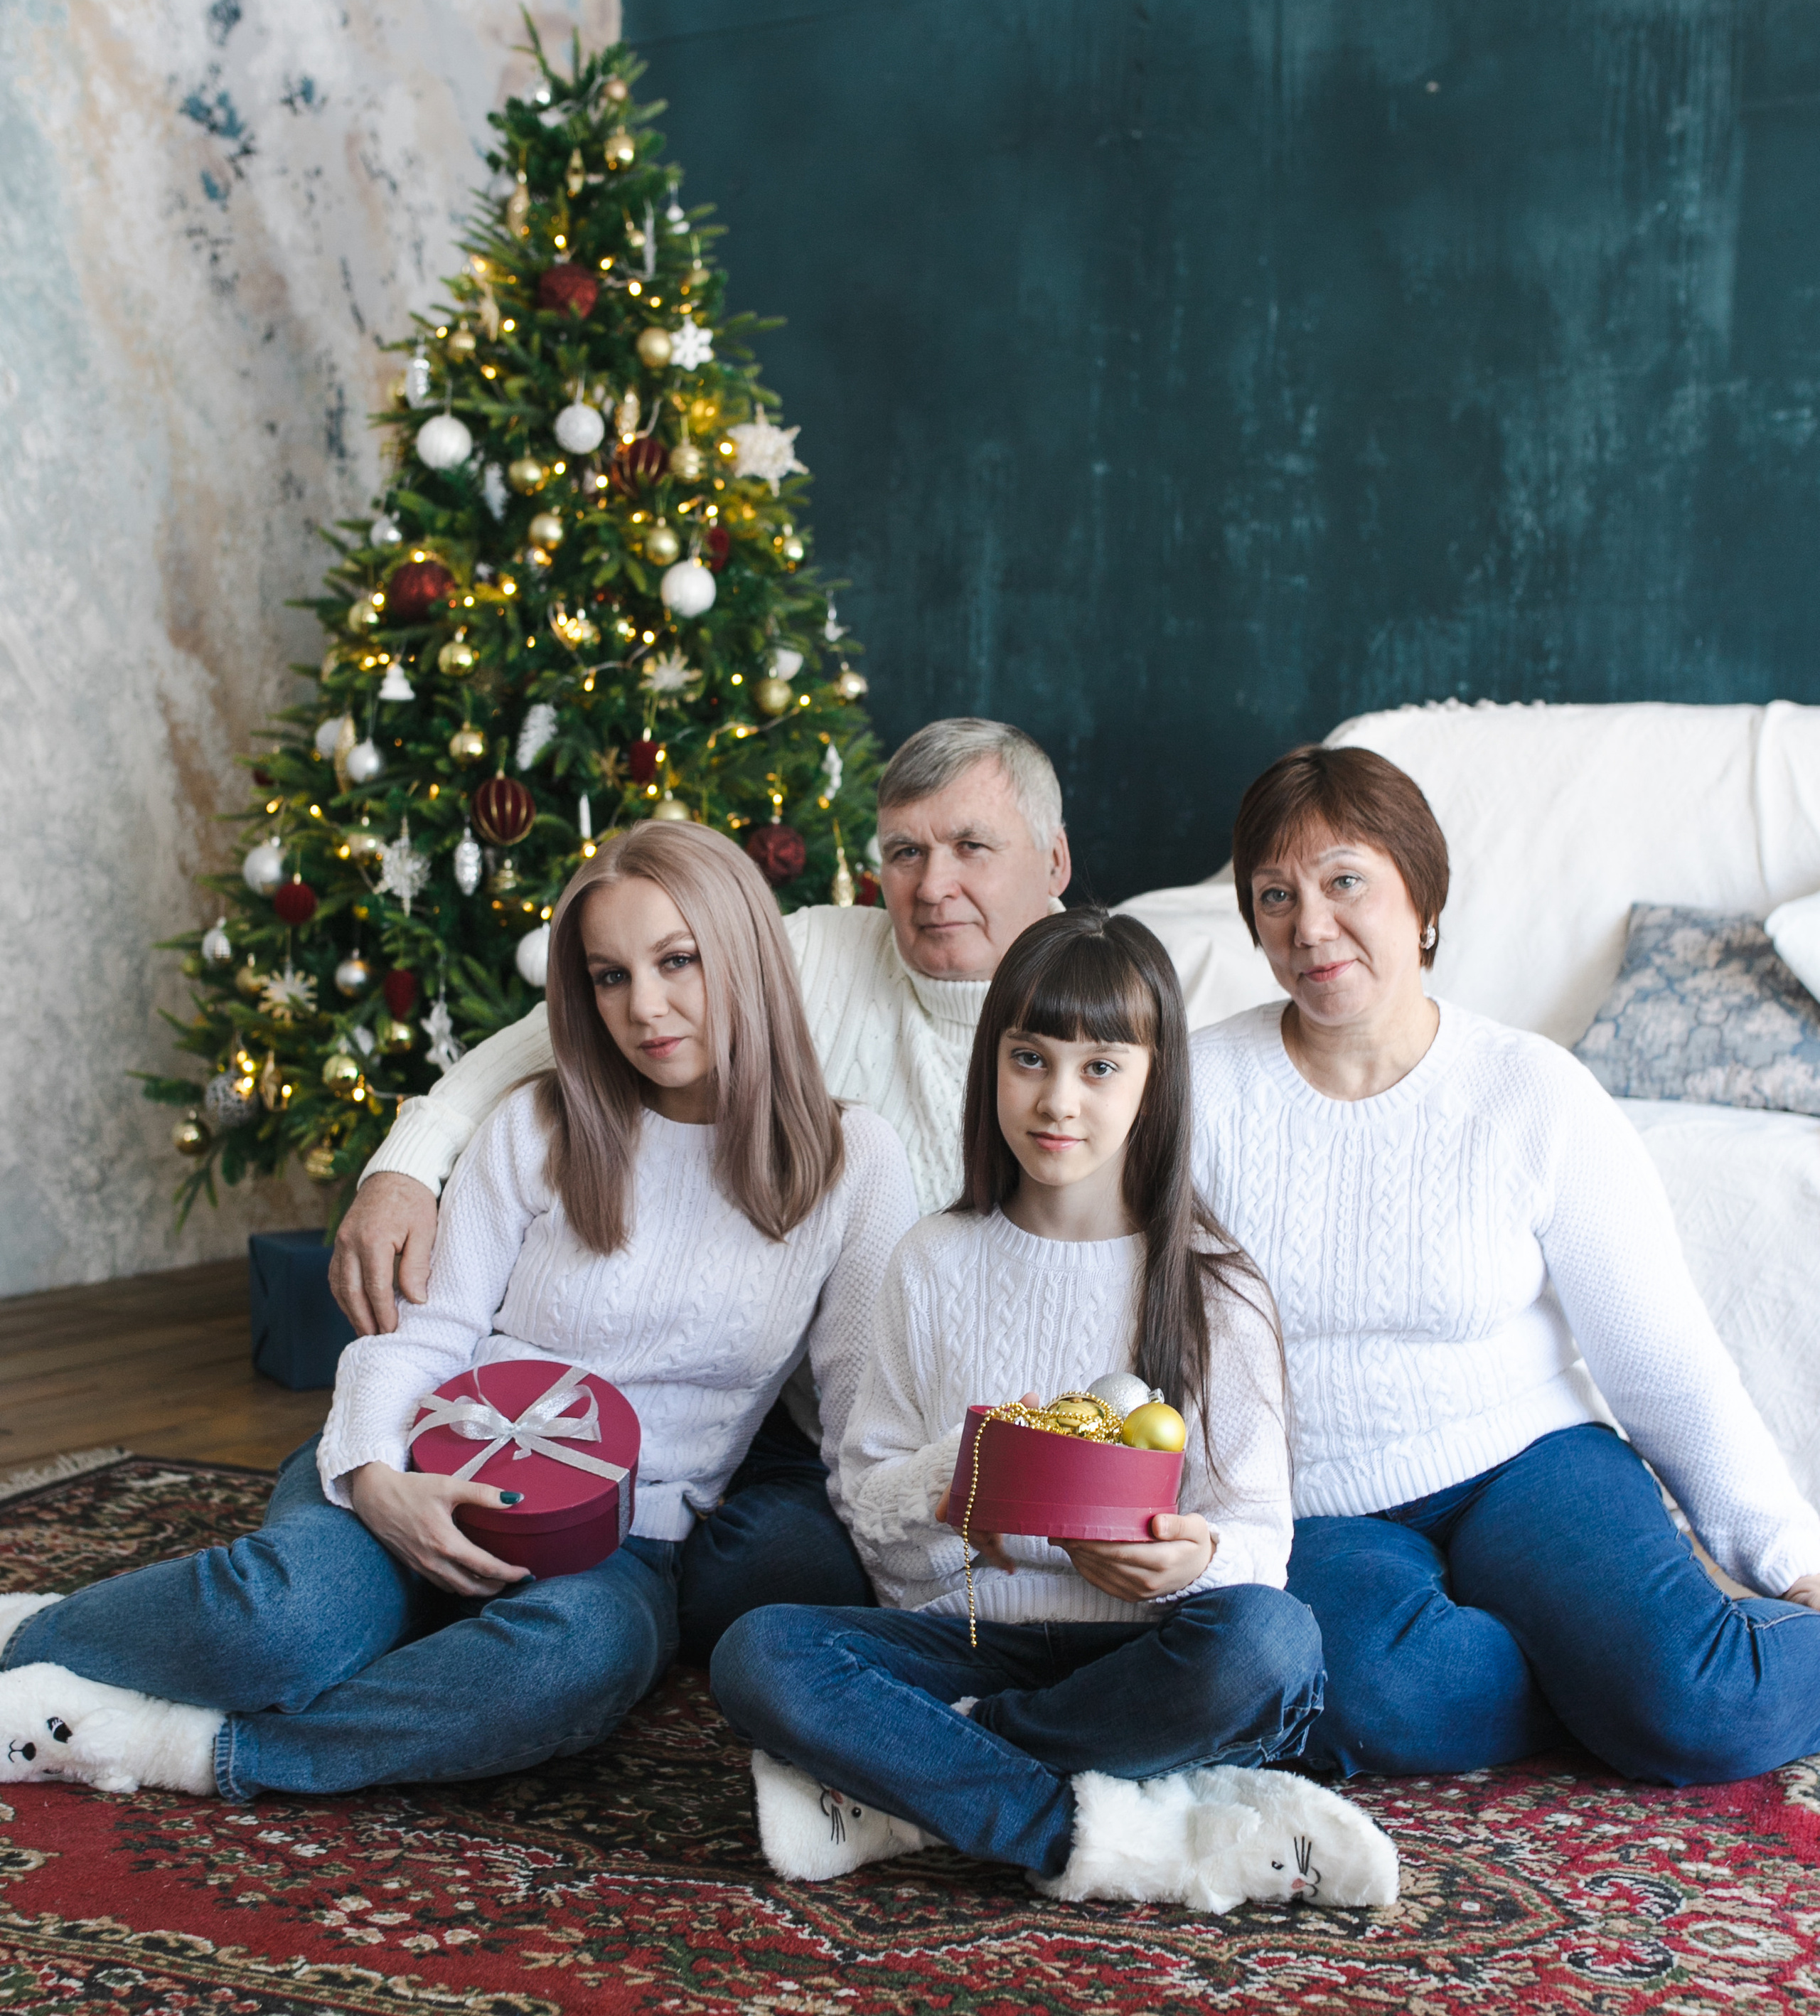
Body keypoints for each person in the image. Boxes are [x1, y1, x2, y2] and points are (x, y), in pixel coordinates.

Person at [0, 824, 915, 1801]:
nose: (644, 1008)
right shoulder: (537, 1124)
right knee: (278, 1624)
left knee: (573, 1665)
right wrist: (375, 1477)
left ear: (747, 953)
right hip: (418, 1461)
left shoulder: (854, 1162)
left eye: (677, 961)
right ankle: (32, 1639)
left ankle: (200, 1749)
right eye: (609, 977)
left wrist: (942, 1625)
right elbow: (425, 1334)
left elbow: (864, 1424)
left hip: (620, 1544)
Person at [329, 718, 1072, 1656]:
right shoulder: (813, 948)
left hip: (921, 1419)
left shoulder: (1110, 1011)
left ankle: (599, 1599)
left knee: (783, 1583)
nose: (931, 886)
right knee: (751, 1581)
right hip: (781, 1405)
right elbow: (565, 1027)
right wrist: (406, 1162)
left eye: (971, 847)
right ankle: (578, 1575)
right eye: (904, 852)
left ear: (1055, 860)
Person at [710, 910, 1399, 1910]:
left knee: (1272, 1645)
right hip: (970, 1640)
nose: (1058, 1100)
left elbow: (1261, 1540)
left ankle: (923, 1782)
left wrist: (1193, 1563)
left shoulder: (1216, 1286)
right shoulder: (931, 1262)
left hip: (1144, 1654)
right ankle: (1104, 1828)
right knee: (759, 1654)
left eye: (1101, 1067)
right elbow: (869, 1512)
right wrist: (962, 1479)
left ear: (1156, 1083)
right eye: (1029, 1058)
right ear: (991, 1064)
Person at [1194, 741, 1820, 1787]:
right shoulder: (1198, 1088)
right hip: (1319, 1501)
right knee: (1368, 1703)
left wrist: (1792, 1558)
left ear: (1423, 898)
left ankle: (1642, 1677)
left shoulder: (1533, 1091)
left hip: (1527, 1462)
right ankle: (1599, 1681)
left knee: (1697, 1706)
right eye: (1276, 896)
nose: (1310, 927)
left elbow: (1662, 1360)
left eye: (1345, 882)